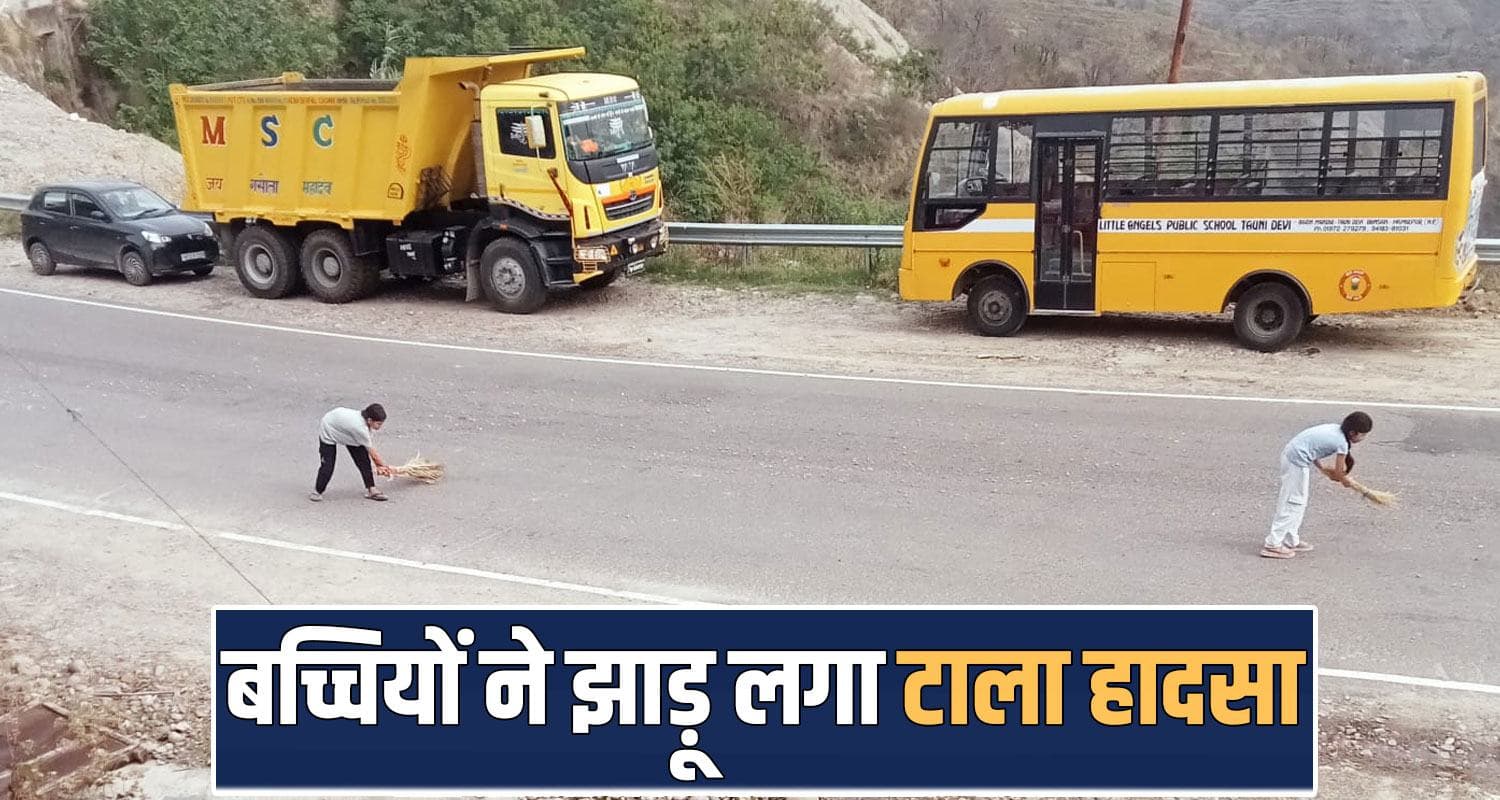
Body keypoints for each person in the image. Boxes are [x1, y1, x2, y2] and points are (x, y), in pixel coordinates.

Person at [1262, 411, 1374, 559]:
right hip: (1296, 462)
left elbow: (1312, 448)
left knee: (1298, 502)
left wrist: (1322, 468)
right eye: (1363, 435)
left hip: (1295, 458)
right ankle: (1273, 544)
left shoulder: (1335, 430)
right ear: (1353, 433)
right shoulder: (1341, 443)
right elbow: (1340, 474)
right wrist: (1347, 482)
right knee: (1293, 503)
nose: (1363, 438)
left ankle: (1290, 539)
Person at [311, 404, 393, 502]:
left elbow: (369, 450)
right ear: (369, 420)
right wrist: (386, 467)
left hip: (345, 428)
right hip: (329, 428)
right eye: (378, 424)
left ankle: (372, 489)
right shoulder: (359, 428)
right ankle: (317, 491)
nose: (380, 427)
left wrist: (381, 466)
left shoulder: (362, 421)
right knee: (328, 465)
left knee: (363, 460)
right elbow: (373, 454)